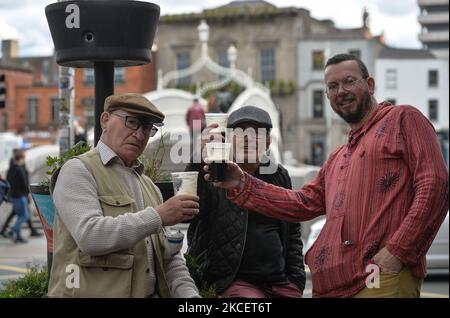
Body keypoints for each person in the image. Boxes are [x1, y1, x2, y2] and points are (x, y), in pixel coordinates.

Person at [205, 54, 449, 298]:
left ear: (370, 85)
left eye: (349, 81)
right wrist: (241, 183)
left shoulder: (402, 119)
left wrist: (397, 251)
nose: (340, 91)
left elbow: (435, 183)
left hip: (377, 277)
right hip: (333, 286)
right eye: (332, 86)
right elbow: (302, 203)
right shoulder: (338, 157)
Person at [48, 93, 200, 298]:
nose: (139, 134)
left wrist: (191, 297)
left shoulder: (149, 187)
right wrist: (158, 216)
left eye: (147, 128)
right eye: (132, 122)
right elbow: (90, 236)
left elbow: (171, 258)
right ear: (105, 120)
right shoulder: (78, 170)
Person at [187, 106, 305, 298]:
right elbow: (188, 211)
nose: (248, 138)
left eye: (256, 133)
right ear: (228, 138)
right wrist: (198, 158)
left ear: (267, 142)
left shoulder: (278, 174)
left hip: (279, 281)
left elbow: (293, 231)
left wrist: (296, 280)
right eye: (241, 132)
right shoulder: (214, 171)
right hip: (232, 281)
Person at [5, 149, 31, 243]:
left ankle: (18, 237)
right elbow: (24, 183)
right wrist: (28, 193)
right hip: (21, 196)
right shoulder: (20, 169)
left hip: (13, 196)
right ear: (22, 158)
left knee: (20, 215)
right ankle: (12, 231)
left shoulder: (11, 169)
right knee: (24, 216)